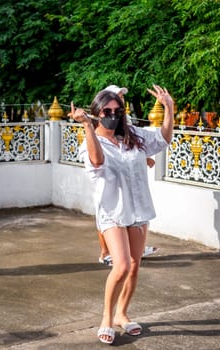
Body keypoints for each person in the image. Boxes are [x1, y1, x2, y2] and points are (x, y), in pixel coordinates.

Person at [71, 84, 174, 344]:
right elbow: (97, 162)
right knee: (123, 265)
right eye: (107, 110)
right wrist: (86, 126)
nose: (113, 114)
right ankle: (106, 318)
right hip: (113, 212)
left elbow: (163, 140)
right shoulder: (92, 140)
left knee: (135, 267)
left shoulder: (133, 135)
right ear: (97, 112)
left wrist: (169, 108)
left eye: (118, 110)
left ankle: (122, 315)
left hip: (138, 210)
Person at [98, 85, 158, 267]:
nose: (121, 99)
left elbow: (130, 145)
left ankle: (131, 248)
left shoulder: (124, 118)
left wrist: (144, 157)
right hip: (108, 175)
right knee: (106, 217)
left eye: (122, 96)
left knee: (130, 216)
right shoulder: (104, 120)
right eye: (117, 96)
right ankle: (106, 252)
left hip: (127, 176)